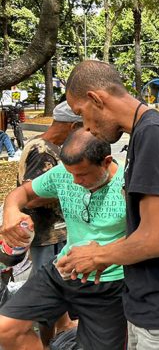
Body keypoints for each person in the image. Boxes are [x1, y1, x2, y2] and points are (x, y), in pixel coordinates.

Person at [62, 60, 159, 348]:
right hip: (151, 309)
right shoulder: (149, 132)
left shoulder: (153, 135)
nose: (86, 128)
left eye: (81, 114)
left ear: (95, 98)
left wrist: (97, 256)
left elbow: (154, 240)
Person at [0, 129, 127, 350]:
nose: (75, 181)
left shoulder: (130, 183)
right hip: (63, 269)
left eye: (83, 175)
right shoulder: (64, 173)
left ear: (106, 162)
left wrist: (103, 255)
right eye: (72, 174)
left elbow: (147, 237)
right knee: (6, 328)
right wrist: (11, 210)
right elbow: (23, 193)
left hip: (108, 282)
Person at [16, 101, 81, 344]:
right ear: (72, 125)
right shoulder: (41, 149)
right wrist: (70, 189)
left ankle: (59, 331)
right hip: (45, 234)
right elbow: (30, 197)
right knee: (47, 289)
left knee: (60, 286)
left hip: (57, 233)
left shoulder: (52, 147)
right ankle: (44, 342)